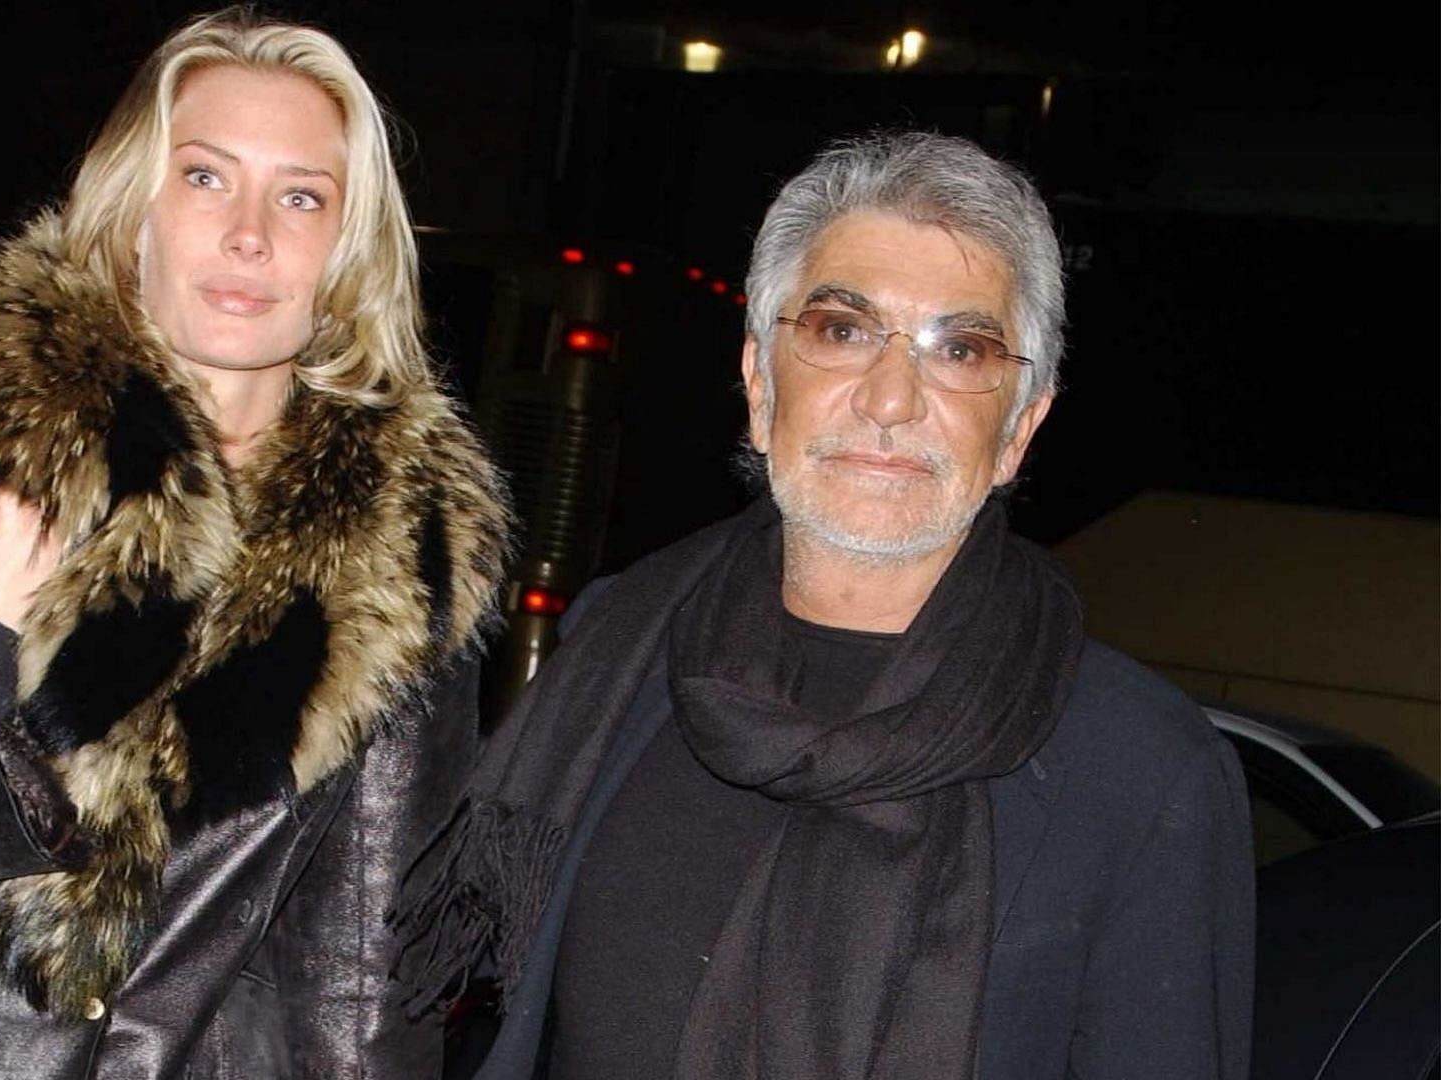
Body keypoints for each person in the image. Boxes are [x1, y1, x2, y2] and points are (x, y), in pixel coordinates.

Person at [0, 9, 510, 1078]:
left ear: (346, 250)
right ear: (131, 208)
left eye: (300, 196)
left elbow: (364, 978)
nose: (251, 234)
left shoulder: (396, 562)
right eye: (205, 178)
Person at [395, 131, 1254, 1079]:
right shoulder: (623, 649)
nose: (891, 399)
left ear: (1019, 428)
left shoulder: (1142, 768)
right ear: (761, 387)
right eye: (843, 331)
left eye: (960, 348)